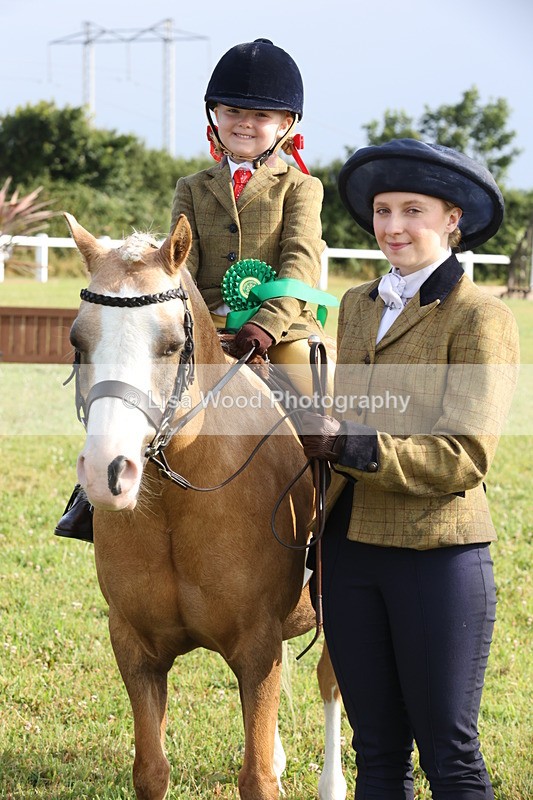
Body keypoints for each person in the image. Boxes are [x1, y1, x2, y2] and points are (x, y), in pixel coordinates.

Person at [301, 138, 520, 799]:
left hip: (435, 554)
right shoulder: (356, 305)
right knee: (376, 756)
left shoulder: (479, 316)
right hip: (349, 553)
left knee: (448, 758)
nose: (392, 227)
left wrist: (351, 446)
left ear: (452, 217)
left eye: (412, 211)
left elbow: (464, 456)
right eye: (382, 210)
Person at [55, 38, 331, 542]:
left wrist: (265, 327)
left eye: (259, 114)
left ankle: (330, 529)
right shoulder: (192, 186)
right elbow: (180, 267)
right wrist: (198, 327)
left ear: (287, 124)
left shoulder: (301, 189)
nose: (244, 123)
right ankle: (89, 497)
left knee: (320, 413)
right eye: (232, 111)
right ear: (215, 116)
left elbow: (300, 265)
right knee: (129, 392)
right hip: (202, 330)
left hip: (281, 331)